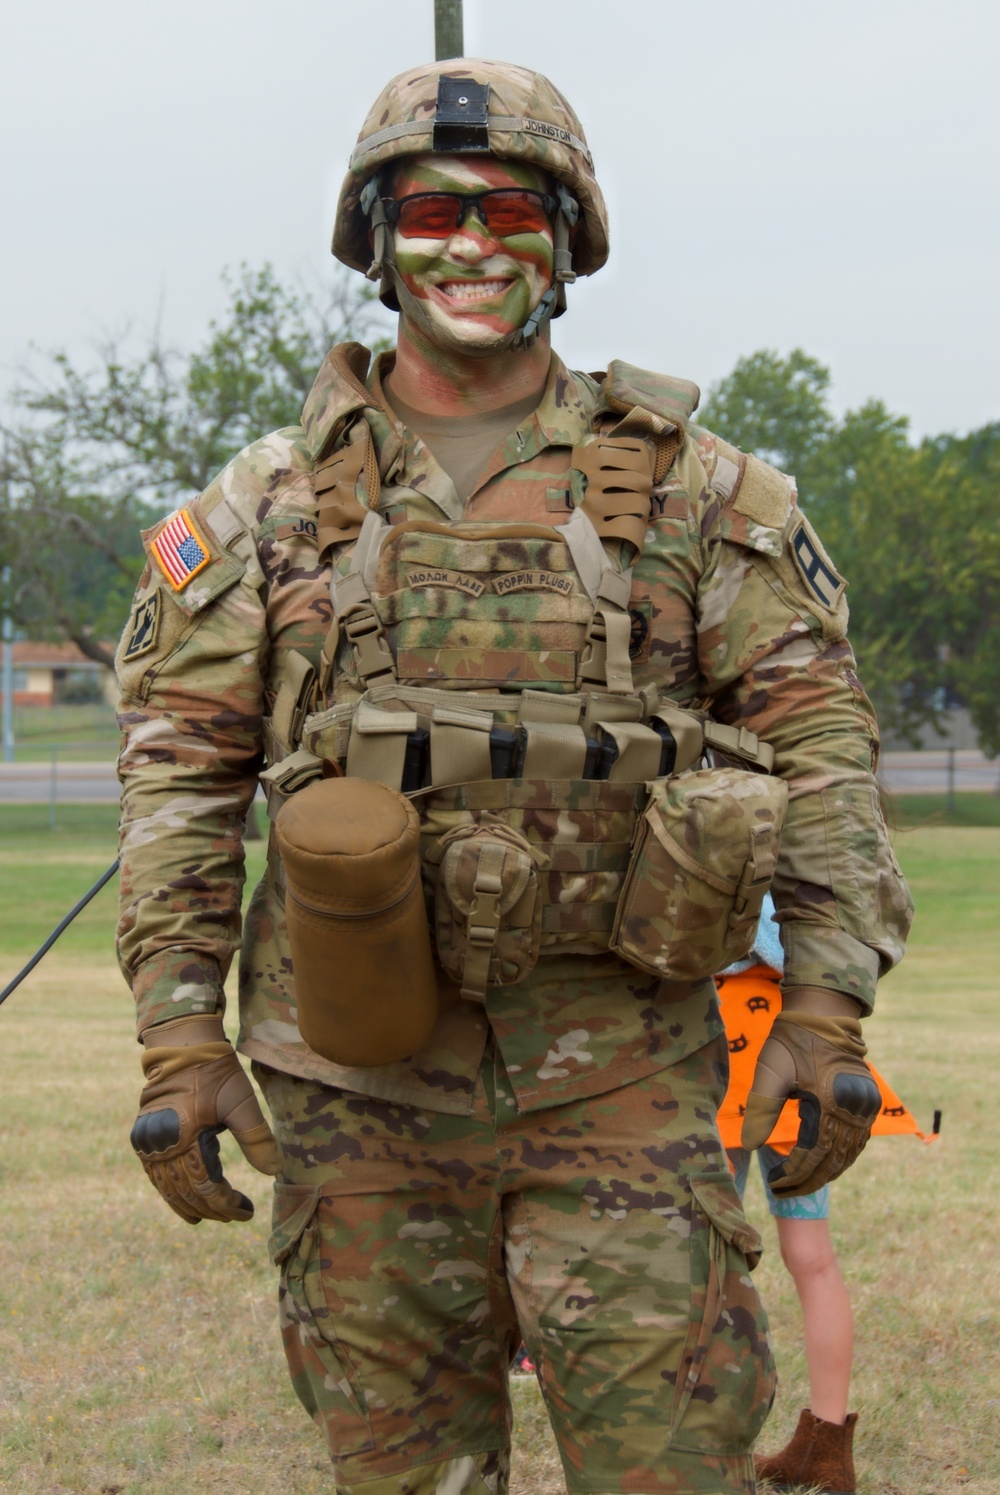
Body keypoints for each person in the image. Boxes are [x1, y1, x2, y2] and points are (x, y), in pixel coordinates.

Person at [115, 58, 913, 1495]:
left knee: (671, 1467)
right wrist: (183, 1043)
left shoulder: (698, 494)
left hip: (626, 1077)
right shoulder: (262, 510)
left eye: (513, 209)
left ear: (569, 237)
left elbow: (824, 743)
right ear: (375, 237)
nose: (472, 243)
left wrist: (828, 1007)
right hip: (357, 1091)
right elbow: (179, 779)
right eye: (432, 208)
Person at [718, 898, 857, 1495]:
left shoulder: (726, 827)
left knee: (705, 1257)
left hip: (722, 1068)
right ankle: (826, 1449)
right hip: (804, 1066)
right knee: (815, 1260)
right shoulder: (812, 850)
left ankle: (701, 1444)